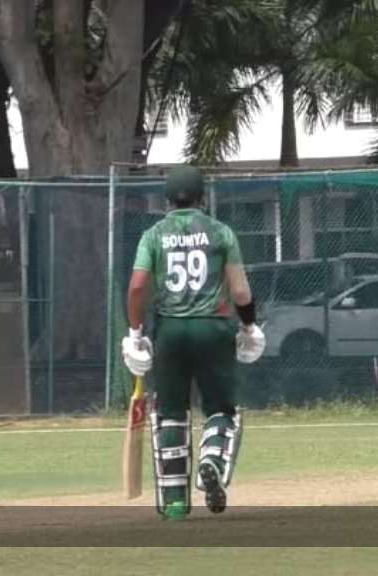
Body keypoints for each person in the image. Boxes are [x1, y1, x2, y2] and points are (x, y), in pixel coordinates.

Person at [122, 165, 265, 520]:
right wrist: (249, 326)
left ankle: (173, 503)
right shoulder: (220, 233)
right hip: (213, 329)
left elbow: (138, 286)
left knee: (170, 414)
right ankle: (212, 460)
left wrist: (135, 333)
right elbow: (241, 290)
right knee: (222, 409)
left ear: (168, 199)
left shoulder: (154, 235)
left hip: (170, 332)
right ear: (202, 197)